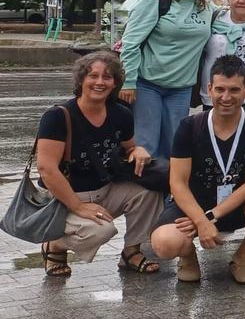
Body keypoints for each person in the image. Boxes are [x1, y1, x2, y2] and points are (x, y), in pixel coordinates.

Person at [151, 56, 245, 285]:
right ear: (209, 89)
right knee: (164, 243)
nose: (226, 97)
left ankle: (242, 257)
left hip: (237, 203)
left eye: (234, 90)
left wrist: (211, 217)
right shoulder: (189, 126)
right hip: (194, 205)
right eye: (220, 89)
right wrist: (200, 220)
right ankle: (188, 257)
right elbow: (178, 183)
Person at [33, 51, 163, 278]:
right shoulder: (57, 116)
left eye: (107, 77)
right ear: (81, 79)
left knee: (149, 192)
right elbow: (47, 169)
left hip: (105, 190)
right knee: (102, 231)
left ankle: (131, 252)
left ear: (115, 83)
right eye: (93, 76)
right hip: (62, 198)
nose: (100, 82)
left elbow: (129, 147)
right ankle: (54, 245)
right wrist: (78, 206)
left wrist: (138, 149)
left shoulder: (120, 114)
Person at [119, 0, 214, 159]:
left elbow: (231, 25)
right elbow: (131, 42)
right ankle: (144, 190)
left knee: (175, 145)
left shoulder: (205, 7)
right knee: (146, 144)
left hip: (181, 88)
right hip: (148, 84)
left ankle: (168, 190)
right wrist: (129, 82)